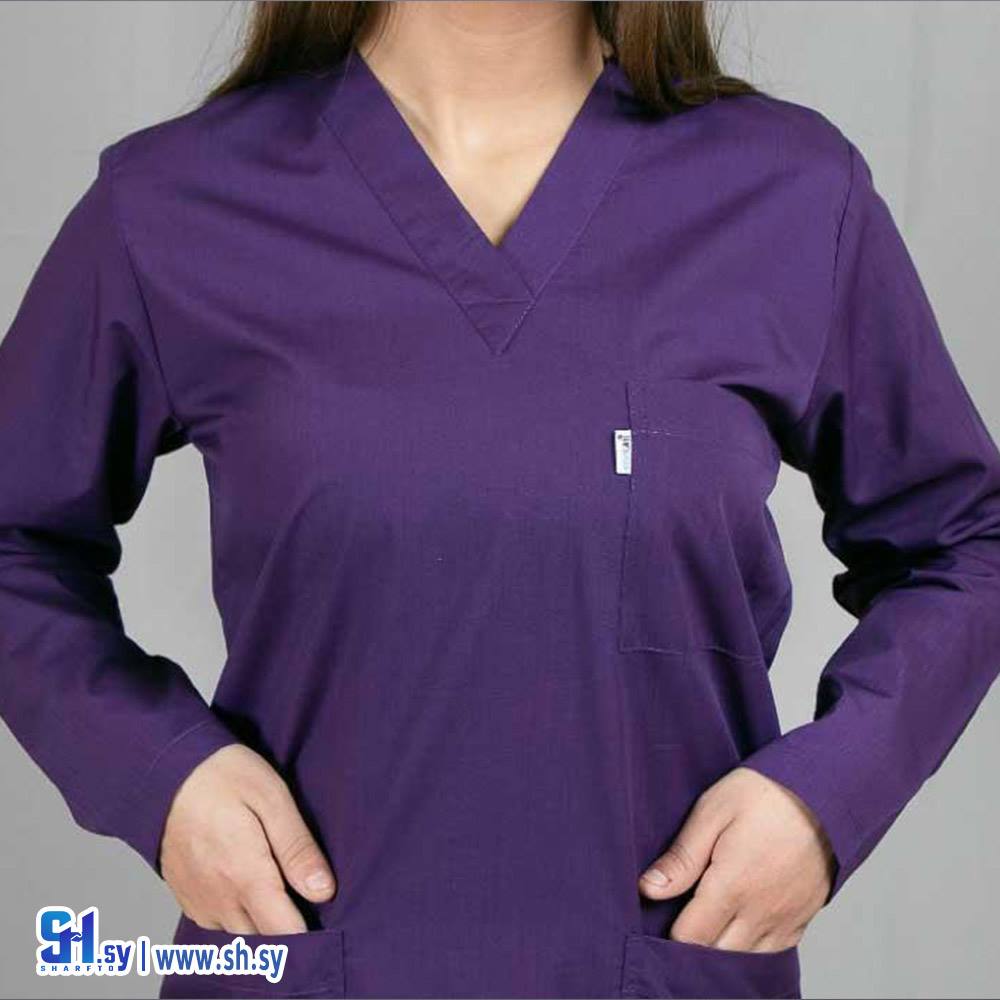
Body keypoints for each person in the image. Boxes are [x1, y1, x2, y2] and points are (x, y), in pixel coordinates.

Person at [2, 3, 999, 998]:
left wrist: (826, 799)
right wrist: (159, 773)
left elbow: (967, 539)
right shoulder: (179, 201)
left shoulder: (787, 193)